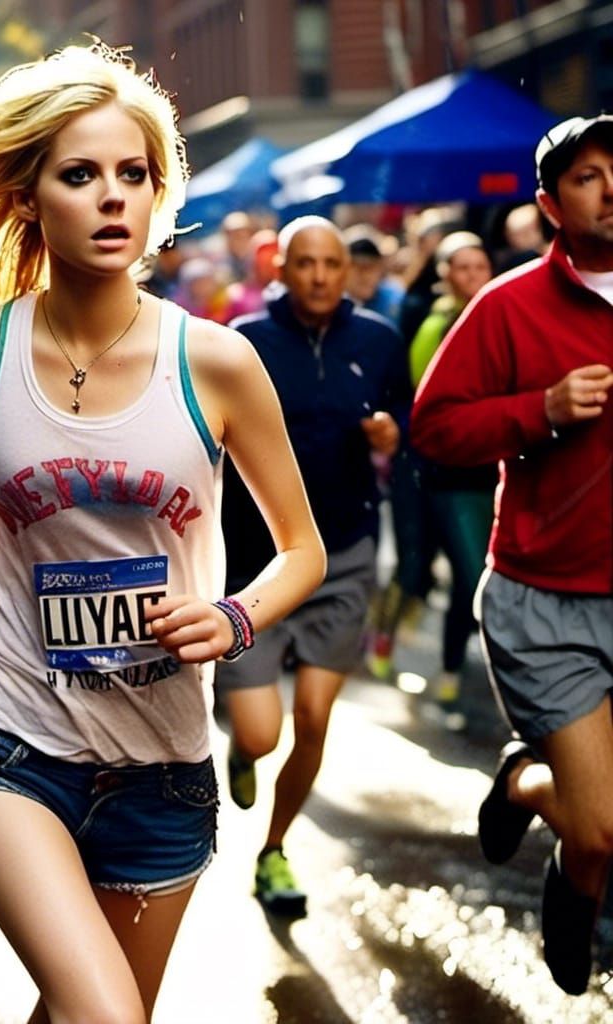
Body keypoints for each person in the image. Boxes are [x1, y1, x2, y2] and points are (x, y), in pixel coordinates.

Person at [0, 42, 325, 1022]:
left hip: (162, 768)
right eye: (80, 174)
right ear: (31, 194)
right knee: (106, 1015)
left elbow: (302, 548)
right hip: (9, 743)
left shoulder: (215, 362)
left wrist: (235, 616)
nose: (112, 197)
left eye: (133, 174)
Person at [411, 114, 613, 996]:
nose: (612, 188)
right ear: (549, 203)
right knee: (599, 826)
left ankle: (573, 868)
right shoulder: (509, 306)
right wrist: (541, 410)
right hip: (544, 594)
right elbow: (436, 429)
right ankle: (527, 780)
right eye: (588, 176)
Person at [216, 216, 409, 915]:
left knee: (315, 717)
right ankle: (241, 751)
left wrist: (393, 433)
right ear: (283, 270)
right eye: (307, 263)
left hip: (345, 554)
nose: (323, 276)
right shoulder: (245, 345)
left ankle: (273, 850)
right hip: (255, 565)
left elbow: (409, 423)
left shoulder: (380, 342)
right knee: (262, 734)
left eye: (333, 263)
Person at [396, 231, 497, 729]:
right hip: (448, 476)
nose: (475, 276)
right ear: (445, 274)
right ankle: (452, 672)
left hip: (497, 471)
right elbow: (426, 411)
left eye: (482, 266)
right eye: (464, 267)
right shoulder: (434, 325)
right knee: (468, 575)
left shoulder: (503, 318)